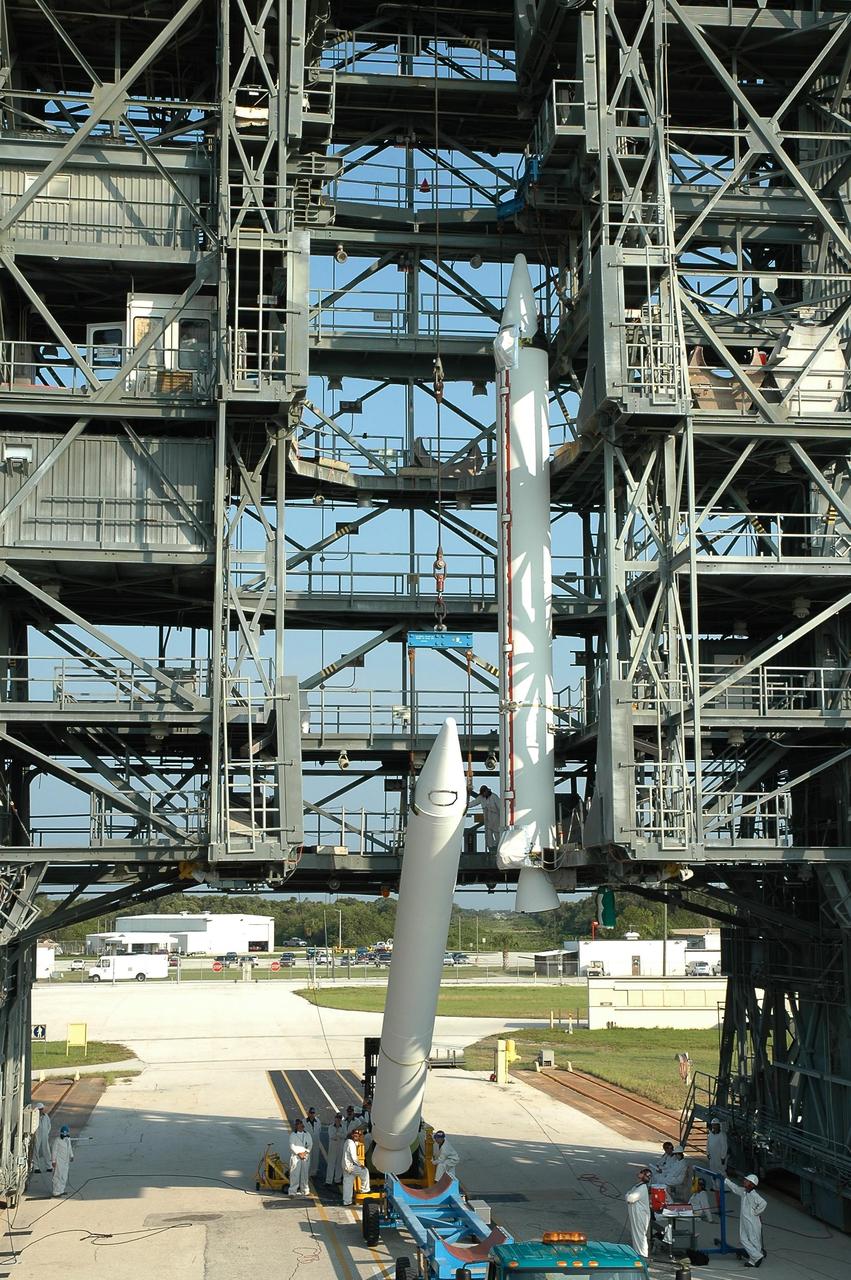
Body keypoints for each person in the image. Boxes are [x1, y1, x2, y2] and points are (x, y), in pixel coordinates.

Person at [724, 1174, 767, 1267]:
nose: (744, 1181)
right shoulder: (744, 1192)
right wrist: (726, 1180)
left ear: (752, 1184)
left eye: (747, 1181)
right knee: (743, 1239)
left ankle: (754, 1259)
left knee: (753, 1240)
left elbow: (763, 1203)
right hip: (744, 1220)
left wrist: (756, 1212)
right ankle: (756, 1256)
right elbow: (735, 1188)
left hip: (752, 1221)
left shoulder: (754, 1195)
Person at [625, 1167, 652, 1260]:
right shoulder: (637, 1186)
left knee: (640, 1236)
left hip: (641, 1216)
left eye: (641, 1173)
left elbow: (630, 1198)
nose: (638, 1174)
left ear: (643, 1176)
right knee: (636, 1235)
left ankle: (643, 1256)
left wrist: (627, 1195)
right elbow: (628, 1195)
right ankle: (637, 1254)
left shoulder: (642, 1188)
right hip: (636, 1215)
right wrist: (628, 1195)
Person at [342, 1127, 370, 1207]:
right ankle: (364, 1189)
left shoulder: (348, 1142)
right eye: (355, 1134)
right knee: (365, 1171)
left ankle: (347, 1201)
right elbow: (354, 1157)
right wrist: (360, 1165)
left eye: (358, 1135)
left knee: (348, 1184)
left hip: (345, 1166)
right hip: (350, 1166)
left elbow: (357, 1143)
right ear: (352, 1135)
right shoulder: (351, 1143)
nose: (356, 1136)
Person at [468, 785, 501, 853]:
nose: (483, 794)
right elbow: (474, 803)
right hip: (487, 818)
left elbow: (500, 808)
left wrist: (502, 818)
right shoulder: (481, 797)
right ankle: (491, 849)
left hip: (496, 817)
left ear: (486, 791)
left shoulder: (494, 797)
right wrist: (465, 805)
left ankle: (499, 848)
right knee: (488, 834)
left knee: (497, 833)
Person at [288, 1118, 312, 1197]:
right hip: (296, 1157)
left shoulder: (307, 1134)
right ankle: (292, 1192)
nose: (301, 1126)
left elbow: (310, 1144)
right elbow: (292, 1146)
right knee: (294, 1174)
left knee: (305, 1174)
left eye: (302, 1125)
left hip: (305, 1156)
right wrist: (299, 1154)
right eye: (299, 1125)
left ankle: (305, 1190)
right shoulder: (293, 1135)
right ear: (296, 1126)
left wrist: (305, 1152)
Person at [51, 1125, 73, 1196]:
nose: (65, 1136)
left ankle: (61, 1190)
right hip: (59, 1161)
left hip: (66, 1161)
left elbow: (69, 1148)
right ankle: (56, 1191)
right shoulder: (57, 1140)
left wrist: (71, 1155)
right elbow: (54, 1151)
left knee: (64, 1176)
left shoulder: (68, 1140)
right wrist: (53, 1161)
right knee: (58, 1176)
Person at [325, 1113, 345, 1186]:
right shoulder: (331, 1127)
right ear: (335, 1118)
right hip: (333, 1148)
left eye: (339, 1118)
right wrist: (340, 1135)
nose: (338, 1119)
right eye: (337, 1117)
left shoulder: (343, 1127)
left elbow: (345, 1135)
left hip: (340, 1147)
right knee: (331, 1163)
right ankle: (328, 1180)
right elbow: (331, 1136)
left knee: (339, 1164)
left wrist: (338, 1134)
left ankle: (337, 1179)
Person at [33, 1103, 52, 1174]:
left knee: (46, 1150)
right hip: (37, 1135)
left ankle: (49, 1166)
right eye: (40, 1109)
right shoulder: (34, 1117)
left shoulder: (46, 1116)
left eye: (42, 1109)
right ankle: (36, 1167)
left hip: (44, 1135)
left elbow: (49, 1125)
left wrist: (47, 1133)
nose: (41, 1111)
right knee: (35, 1150)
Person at [304, 1106, 321, 1174]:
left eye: (313, 1113)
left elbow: (319, 1130)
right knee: (308, 1158)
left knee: (315, 1157)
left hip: (316, 1142)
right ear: (308, 1113)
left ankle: (314, 1172)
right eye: (310, 1113)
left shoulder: (318, 1121)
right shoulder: (304, 1121)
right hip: (307, 1143)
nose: (312, 1114)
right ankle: (307, 1172)